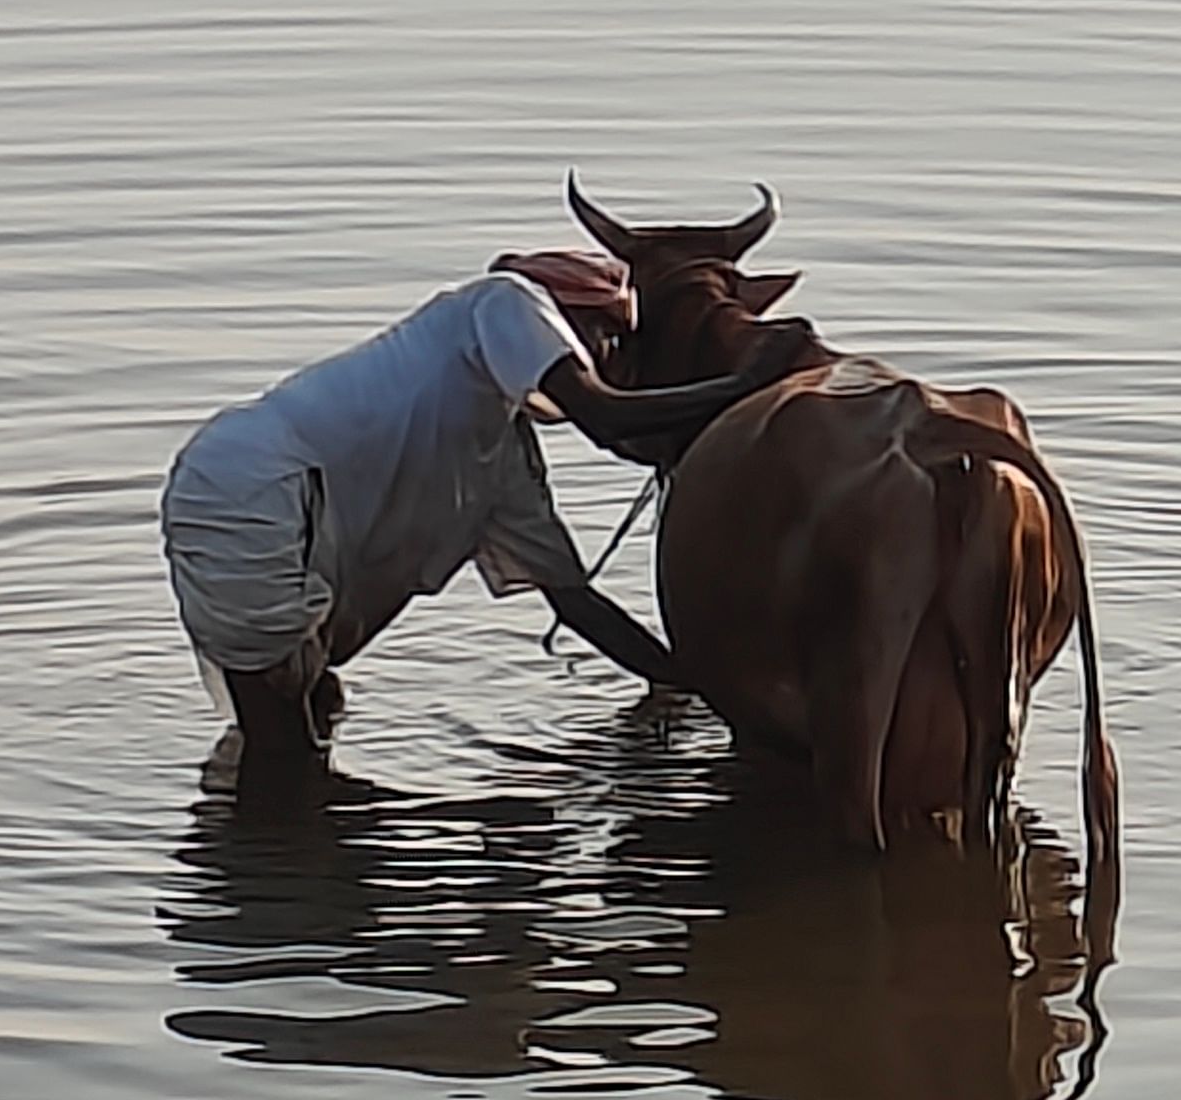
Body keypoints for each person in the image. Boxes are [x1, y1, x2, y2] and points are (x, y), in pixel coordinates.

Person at [160, 247, 801, 787]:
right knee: (281, 750)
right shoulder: (505, 301)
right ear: (568, 316)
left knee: (316, 705)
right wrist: (746, 384)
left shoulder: (499, 461)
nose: (605, 358)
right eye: (608, 339)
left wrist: (693, 684)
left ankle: (289, 882)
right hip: (247, 492)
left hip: (272, 500)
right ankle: (275, 909)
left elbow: (576, 602)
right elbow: (606, 418)